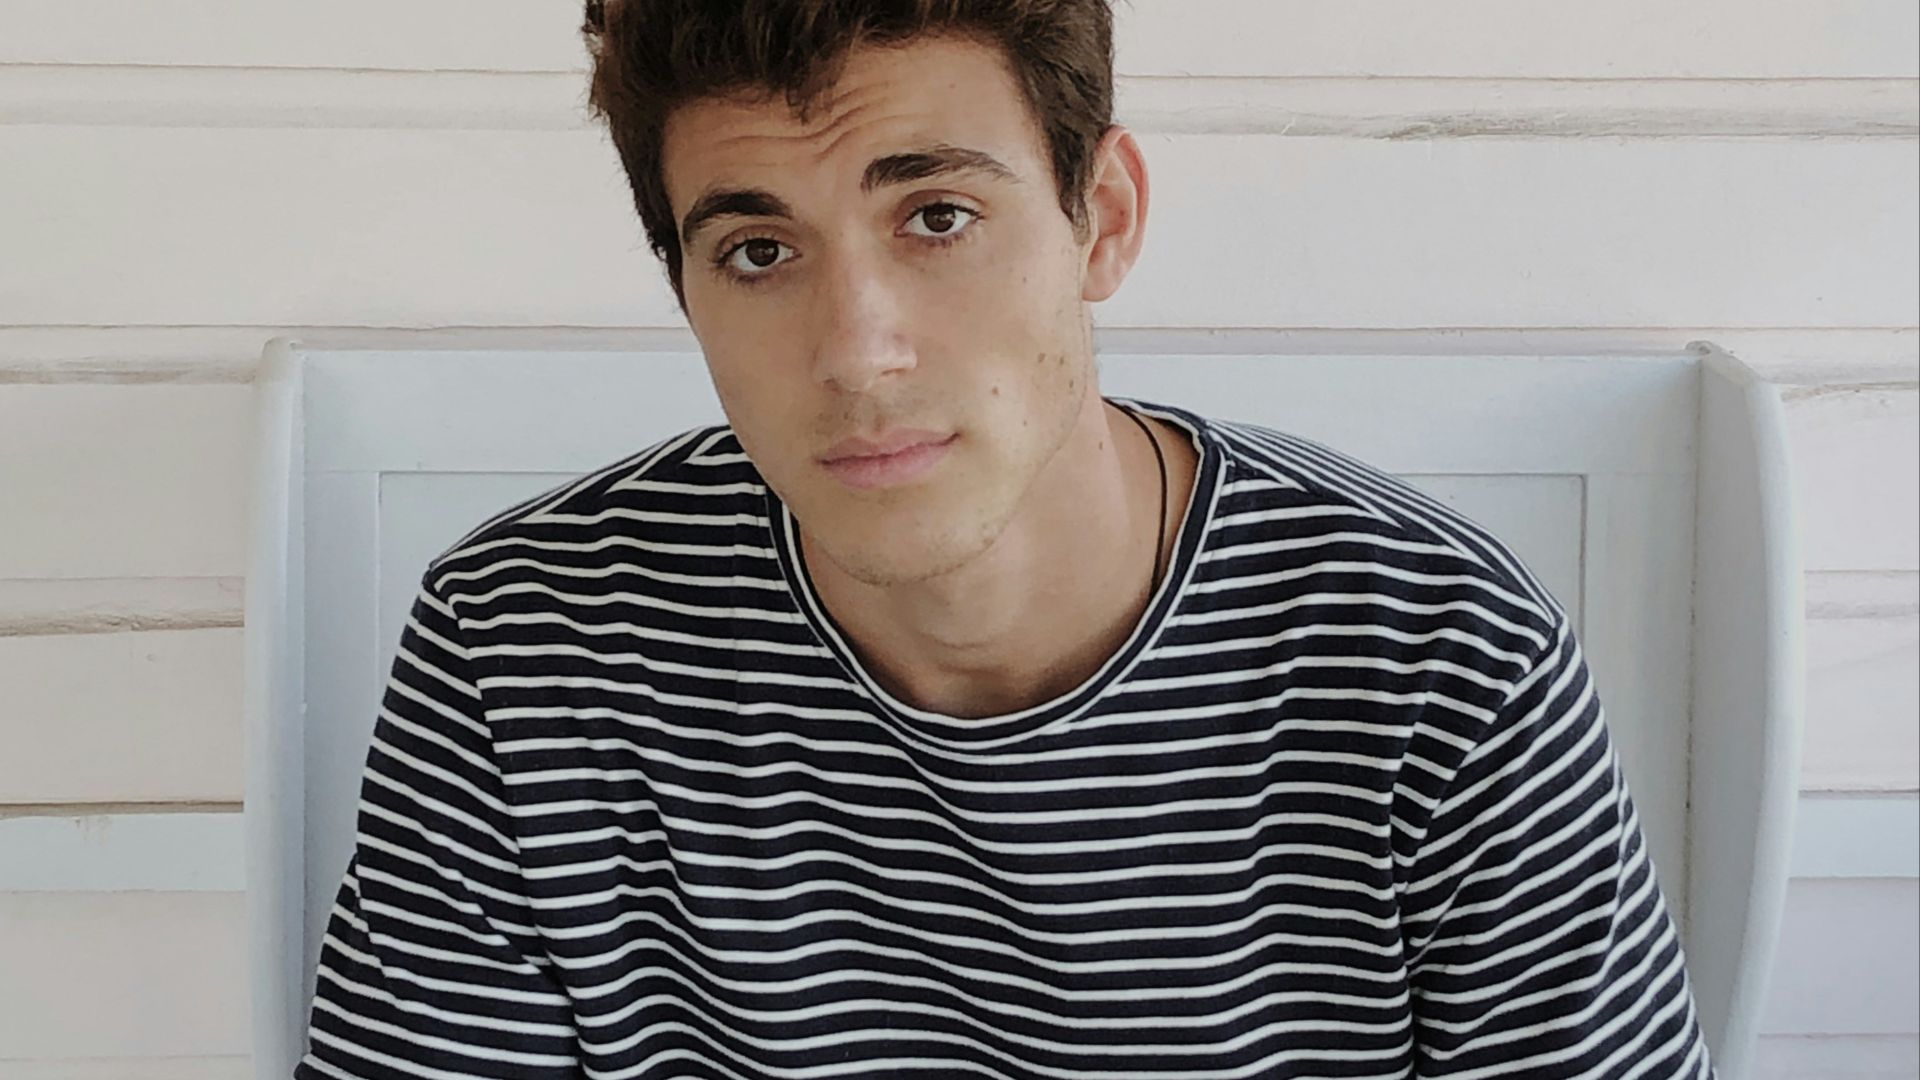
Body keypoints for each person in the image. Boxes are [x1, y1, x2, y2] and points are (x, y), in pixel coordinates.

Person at [292, 2, 1716, 1076]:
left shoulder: (1438, 655)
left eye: (939, 215)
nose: (859, 353)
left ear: (1101, 219)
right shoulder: (521, 646)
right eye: (759, 251)